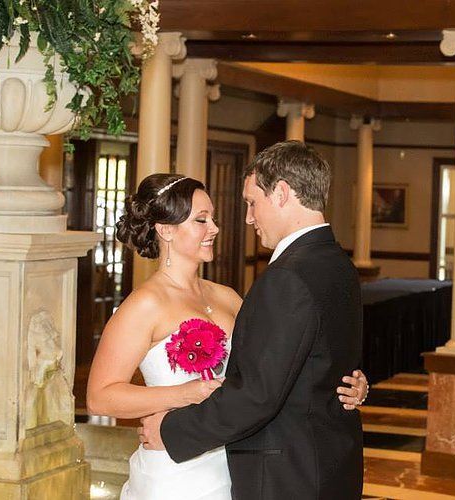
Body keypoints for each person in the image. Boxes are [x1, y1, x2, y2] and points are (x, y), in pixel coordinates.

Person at [86, 160, 367, 499]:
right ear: (166, 230)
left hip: (235, 460)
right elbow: (99, 397)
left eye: (213, 218)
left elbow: (280, 362)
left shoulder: (229, 297)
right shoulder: (144, 304)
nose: (215, 228)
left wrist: (346, 380)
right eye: (201, 220)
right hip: (176, 469)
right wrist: (182, 394)